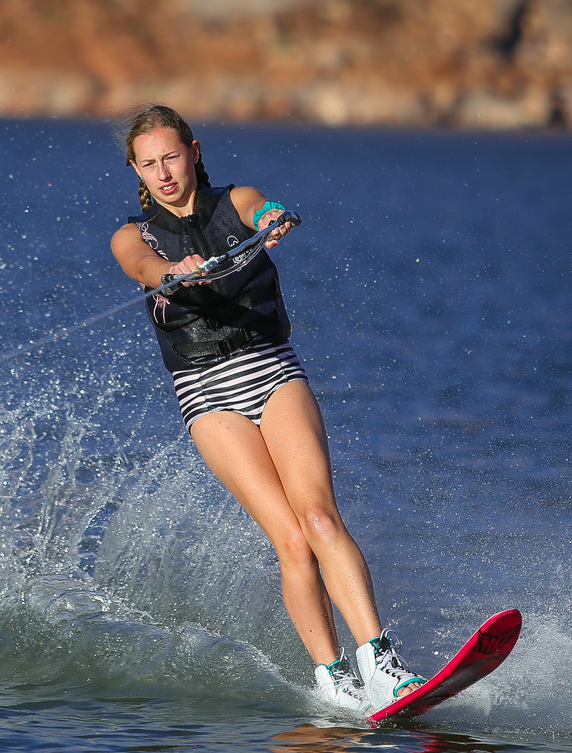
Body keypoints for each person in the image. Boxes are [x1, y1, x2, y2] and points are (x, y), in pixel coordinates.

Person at [109, 103, 423, 715]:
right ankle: (334, 679)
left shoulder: (236, 200)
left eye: (171, 157)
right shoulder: (133, 236)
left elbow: (261, 208)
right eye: (148, 164)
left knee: (320, 519)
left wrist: (273, 217)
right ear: (137, 171)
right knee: (292, 540)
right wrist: (173, 271)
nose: (163, 173)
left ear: (194, 152)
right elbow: (141, 266)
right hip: (206, 395)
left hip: (272, 371)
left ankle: (382, 665)